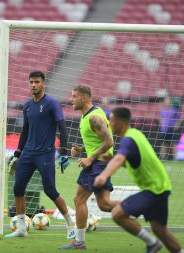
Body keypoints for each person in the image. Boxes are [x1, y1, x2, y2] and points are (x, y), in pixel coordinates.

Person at [94, 107, 184, 253]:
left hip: (153, 189)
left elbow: (119, 159)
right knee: (160, 230)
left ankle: (152, 244)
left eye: (111, 120)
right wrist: (111, 159)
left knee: (117, 214)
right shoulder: (135, 134)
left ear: (118, 122)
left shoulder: (128, 140)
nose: (109, 124)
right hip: (161, 187)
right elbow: (128, 160)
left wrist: (103, 175)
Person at [5, 71, 76, 238]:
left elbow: (63, 128)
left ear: (43, 84)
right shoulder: (27, 106)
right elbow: (25, 130)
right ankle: (22, 229)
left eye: (37, 82)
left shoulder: (51, 103)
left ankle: (70, 224)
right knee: (17, 188)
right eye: (31, 82)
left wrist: (64, 152)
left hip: (45, 154)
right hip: (28, 154)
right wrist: (17, 152)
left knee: (50, 190)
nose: (34, 85)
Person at [59, 85, 118, 250]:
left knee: (79, 199)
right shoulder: (87, 117)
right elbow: (98, 142)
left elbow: (109, 142)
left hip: (98, 163)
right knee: (104, 204)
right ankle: (141, 205)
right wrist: (82, 150)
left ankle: (79, 241)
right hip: (100, 162)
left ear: (84, 98)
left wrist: (91, 158)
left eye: (74, 96)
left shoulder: (94, 117)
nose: (71, 100)